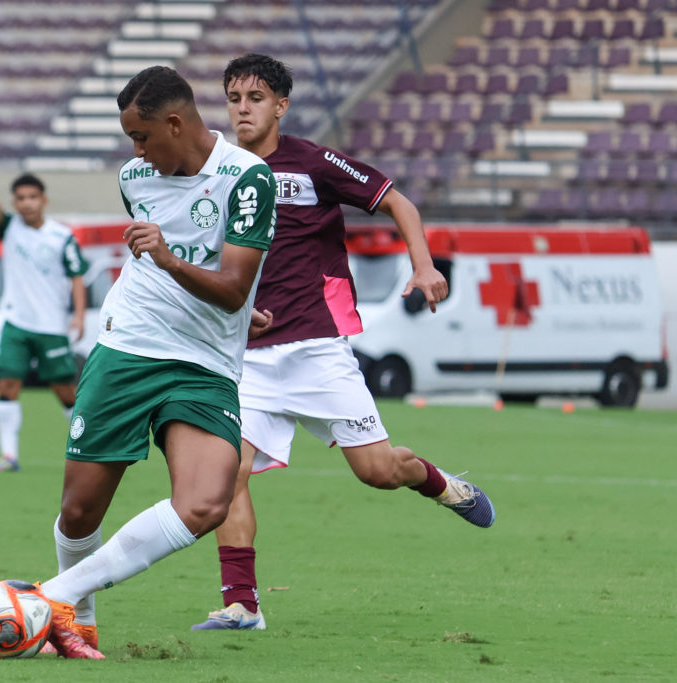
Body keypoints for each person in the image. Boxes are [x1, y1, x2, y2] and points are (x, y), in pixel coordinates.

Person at [189, 54, 495, 631]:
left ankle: (443, 484)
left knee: (378, 471)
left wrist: (423, 267)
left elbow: (397, 201)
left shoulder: (313, 163)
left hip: (316, 348)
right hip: (246, 357)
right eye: (233, 98)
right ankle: (241, 603)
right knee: (228, 470)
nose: (242, 109)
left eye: (255, 98)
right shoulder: (219, 169)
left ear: (281, 105)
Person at [22, 65, 277, 659]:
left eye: (141, 137)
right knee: (80, 509)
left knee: (207, 503)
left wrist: (172, 262)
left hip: (205, 362)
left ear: (175, 122)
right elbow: (191, 274)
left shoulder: (247, 179)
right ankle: (76, 623)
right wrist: (186, 276)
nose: (134, 151)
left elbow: (234, 286)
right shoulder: (136, 178)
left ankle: (48, 596)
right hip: (128, 346)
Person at [0, 149, 89, 473]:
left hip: (51, 326)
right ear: (14, 202)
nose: (26, 203)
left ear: (44, 200)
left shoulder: (62, 237)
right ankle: (9, 456)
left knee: (65, 392)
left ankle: (87, 449)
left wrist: (77, 315)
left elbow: (77, 277)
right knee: (6, 385)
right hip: (16, 322)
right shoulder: (8, 228)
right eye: (20, 198)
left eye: (32, 197)